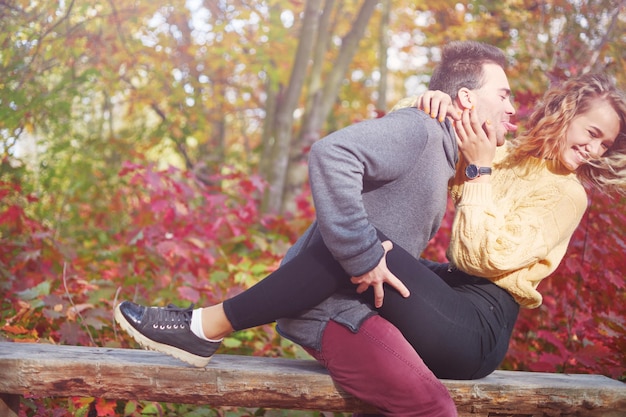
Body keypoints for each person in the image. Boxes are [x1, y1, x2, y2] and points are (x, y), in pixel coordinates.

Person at [117, 57, 626, 414]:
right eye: (591, 131)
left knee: (364, 242)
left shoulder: (565, 193)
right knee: (358, 240)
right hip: (452, 292)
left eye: (605, 143)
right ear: (566, 113)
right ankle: (227, 323)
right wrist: (428, 100)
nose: (595, 149)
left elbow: (482, 256)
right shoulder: (506, 151)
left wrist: (478, 173)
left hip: (479, 322)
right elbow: (433, 130)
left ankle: (206, 325)